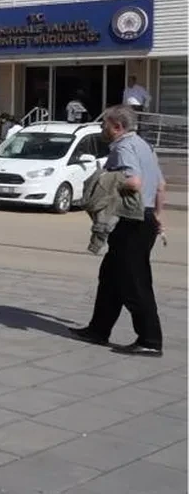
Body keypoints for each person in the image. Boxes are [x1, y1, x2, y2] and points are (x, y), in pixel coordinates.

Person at [71, 106, 166, 357]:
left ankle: (150, 340)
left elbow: (134, 182)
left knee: (134, 282)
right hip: (144, 219)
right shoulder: (145, 146)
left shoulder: (123, 147)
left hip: (131, 222)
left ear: (117, 126)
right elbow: (161, 185)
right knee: (111, 277)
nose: (102, 128)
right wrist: (157, 216)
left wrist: (104, 183)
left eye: (104, 124)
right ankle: (98, 330)